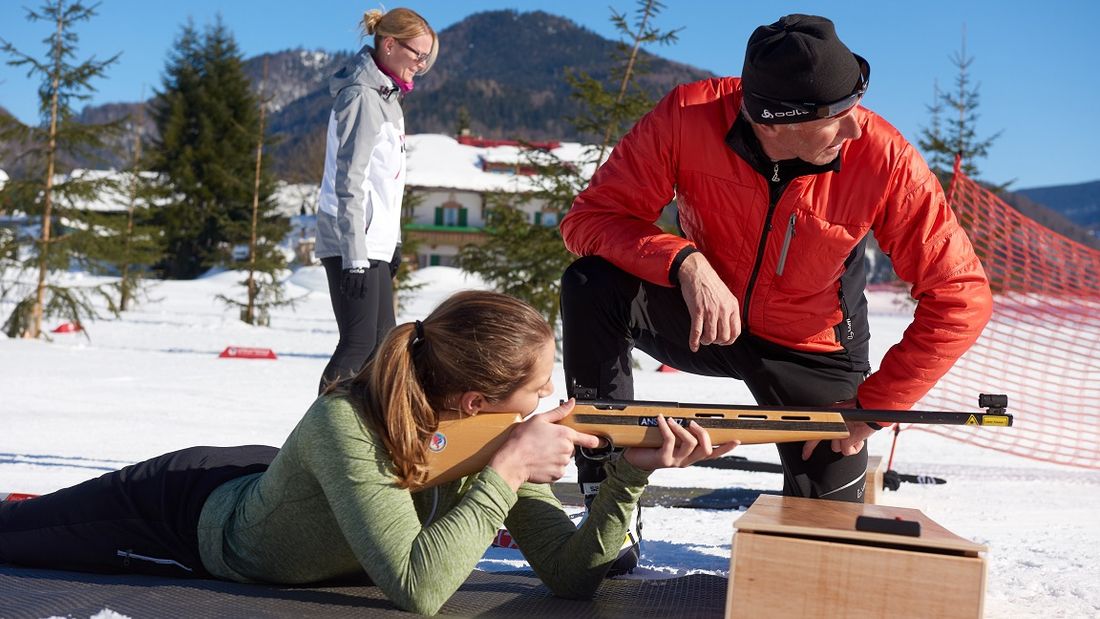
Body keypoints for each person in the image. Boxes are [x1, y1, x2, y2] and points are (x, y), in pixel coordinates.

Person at [0, 291, 737, 616]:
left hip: (290, 486)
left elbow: (573, 579)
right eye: (538, 387)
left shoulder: (486, 439)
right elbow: (419, 588)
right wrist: (507, 468)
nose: (549, 402)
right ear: (476, 403)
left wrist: (629, 480)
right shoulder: (344, 422)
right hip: (177, 518)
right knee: (14, 537)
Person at [559, 13, 993, 535]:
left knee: (821, 533)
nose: (857, 125)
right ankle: (606, 506)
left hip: (812, 349)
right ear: (773, 121)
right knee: (589, 284)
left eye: (857, 102)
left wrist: (874, 408)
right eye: (837, 114)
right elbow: (590, 219)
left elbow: (961, 296)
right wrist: (682, 260)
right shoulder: (687, 116)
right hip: (707, 321)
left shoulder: (884, 157)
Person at [315, 7, 438, 393]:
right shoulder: (361, 98)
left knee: (383, 348)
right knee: (358, 345)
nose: (421, 65)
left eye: (427, 58)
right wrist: (354, 256)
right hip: (352, 241)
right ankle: (311, 444)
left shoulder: (387, 99)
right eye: (418, 54)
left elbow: (387, 185)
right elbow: (348, 180)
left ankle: (358, 439)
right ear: (389, 44)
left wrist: (393, 242)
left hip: (374, 244)